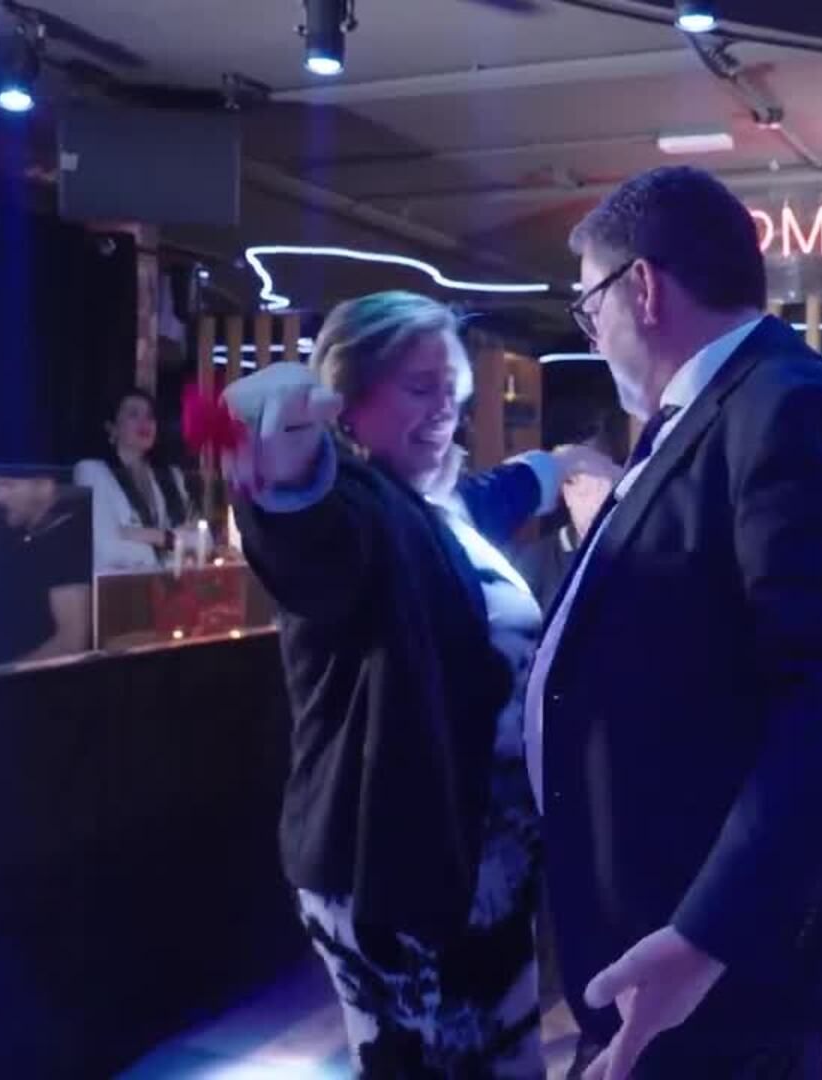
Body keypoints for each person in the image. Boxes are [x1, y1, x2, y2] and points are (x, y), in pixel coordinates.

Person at [527, 165, 822, 1080]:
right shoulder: (708, 410)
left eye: (590, 308)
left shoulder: (788, 407)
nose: (591, 336)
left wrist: (705, 937)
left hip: (710, 956)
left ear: (642, 287)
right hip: (660, 927)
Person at [218, 291, 617, 1076]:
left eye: (452, 391)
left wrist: (562, 466)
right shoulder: (362, 510)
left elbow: (493, 496)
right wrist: (283, 473)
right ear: (349, 399)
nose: (444, 411)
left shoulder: (436, 509)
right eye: (418, 387)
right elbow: (311, 538)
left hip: (479, 868)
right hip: (402, 872)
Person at [510, 405, 626, 610]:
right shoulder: (534, 564)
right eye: (582, 483)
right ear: (564, 489)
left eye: (606, 483)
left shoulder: (640, 553)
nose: (597, 501)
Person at [0, 474, 92, 665]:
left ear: (45, 488)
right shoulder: (21, 536)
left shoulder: (68, 540)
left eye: (8, 485)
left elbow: (71, 643)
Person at [73, 388, 195, 574]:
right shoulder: (91, 471)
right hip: (118, 586)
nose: (145, 422)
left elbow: (202, 540)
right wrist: (168, 540)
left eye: (150, 416)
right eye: (133, 414)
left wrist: (135, 534)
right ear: (112, 427)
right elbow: (107, 549)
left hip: (171, 584)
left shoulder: (171, 475)